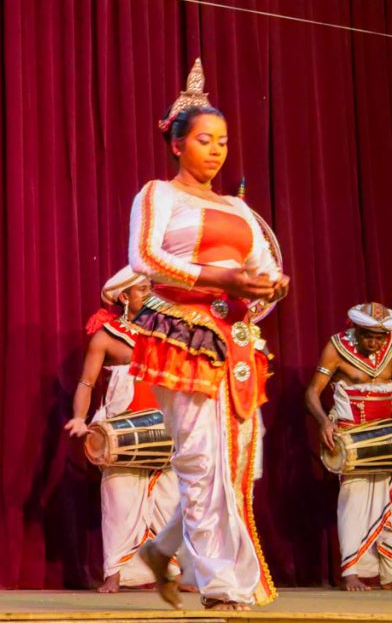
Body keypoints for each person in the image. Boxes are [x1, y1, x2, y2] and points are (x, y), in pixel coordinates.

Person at [126, 60, 289, 611]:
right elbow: (145, 257)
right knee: (200, 459)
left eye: (221, 141)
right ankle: (221, 585)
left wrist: (271, 287)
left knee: (237, 461)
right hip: (182, 334)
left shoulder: (240, 208)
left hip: (237, 340)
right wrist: (217, 276)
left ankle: (165, 546)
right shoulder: (158, 195)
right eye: (203, 140)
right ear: (177, 145)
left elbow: (263, 269)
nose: (216, 150)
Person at [66, 266, 183, 593]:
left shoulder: (166, 334)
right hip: (124, 430)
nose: (150, 295)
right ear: (123, 297)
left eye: (151, 289)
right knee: (119, 504)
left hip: (164, 430)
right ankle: (114, 575)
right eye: (143, 290)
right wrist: (80, 417)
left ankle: (173, 571)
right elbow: (86, 383)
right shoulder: (106, 337)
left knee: (172, 500)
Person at [305, 302, 392, 591]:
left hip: (387, 437)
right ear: (355, 329)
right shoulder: (337, 347)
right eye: (369, 335)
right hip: (353, 437)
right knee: (353, 503)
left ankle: (388, 573)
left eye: (380, 336)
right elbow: (312, 392)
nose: (375, 342)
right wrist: (323, 422)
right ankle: (351, 572)